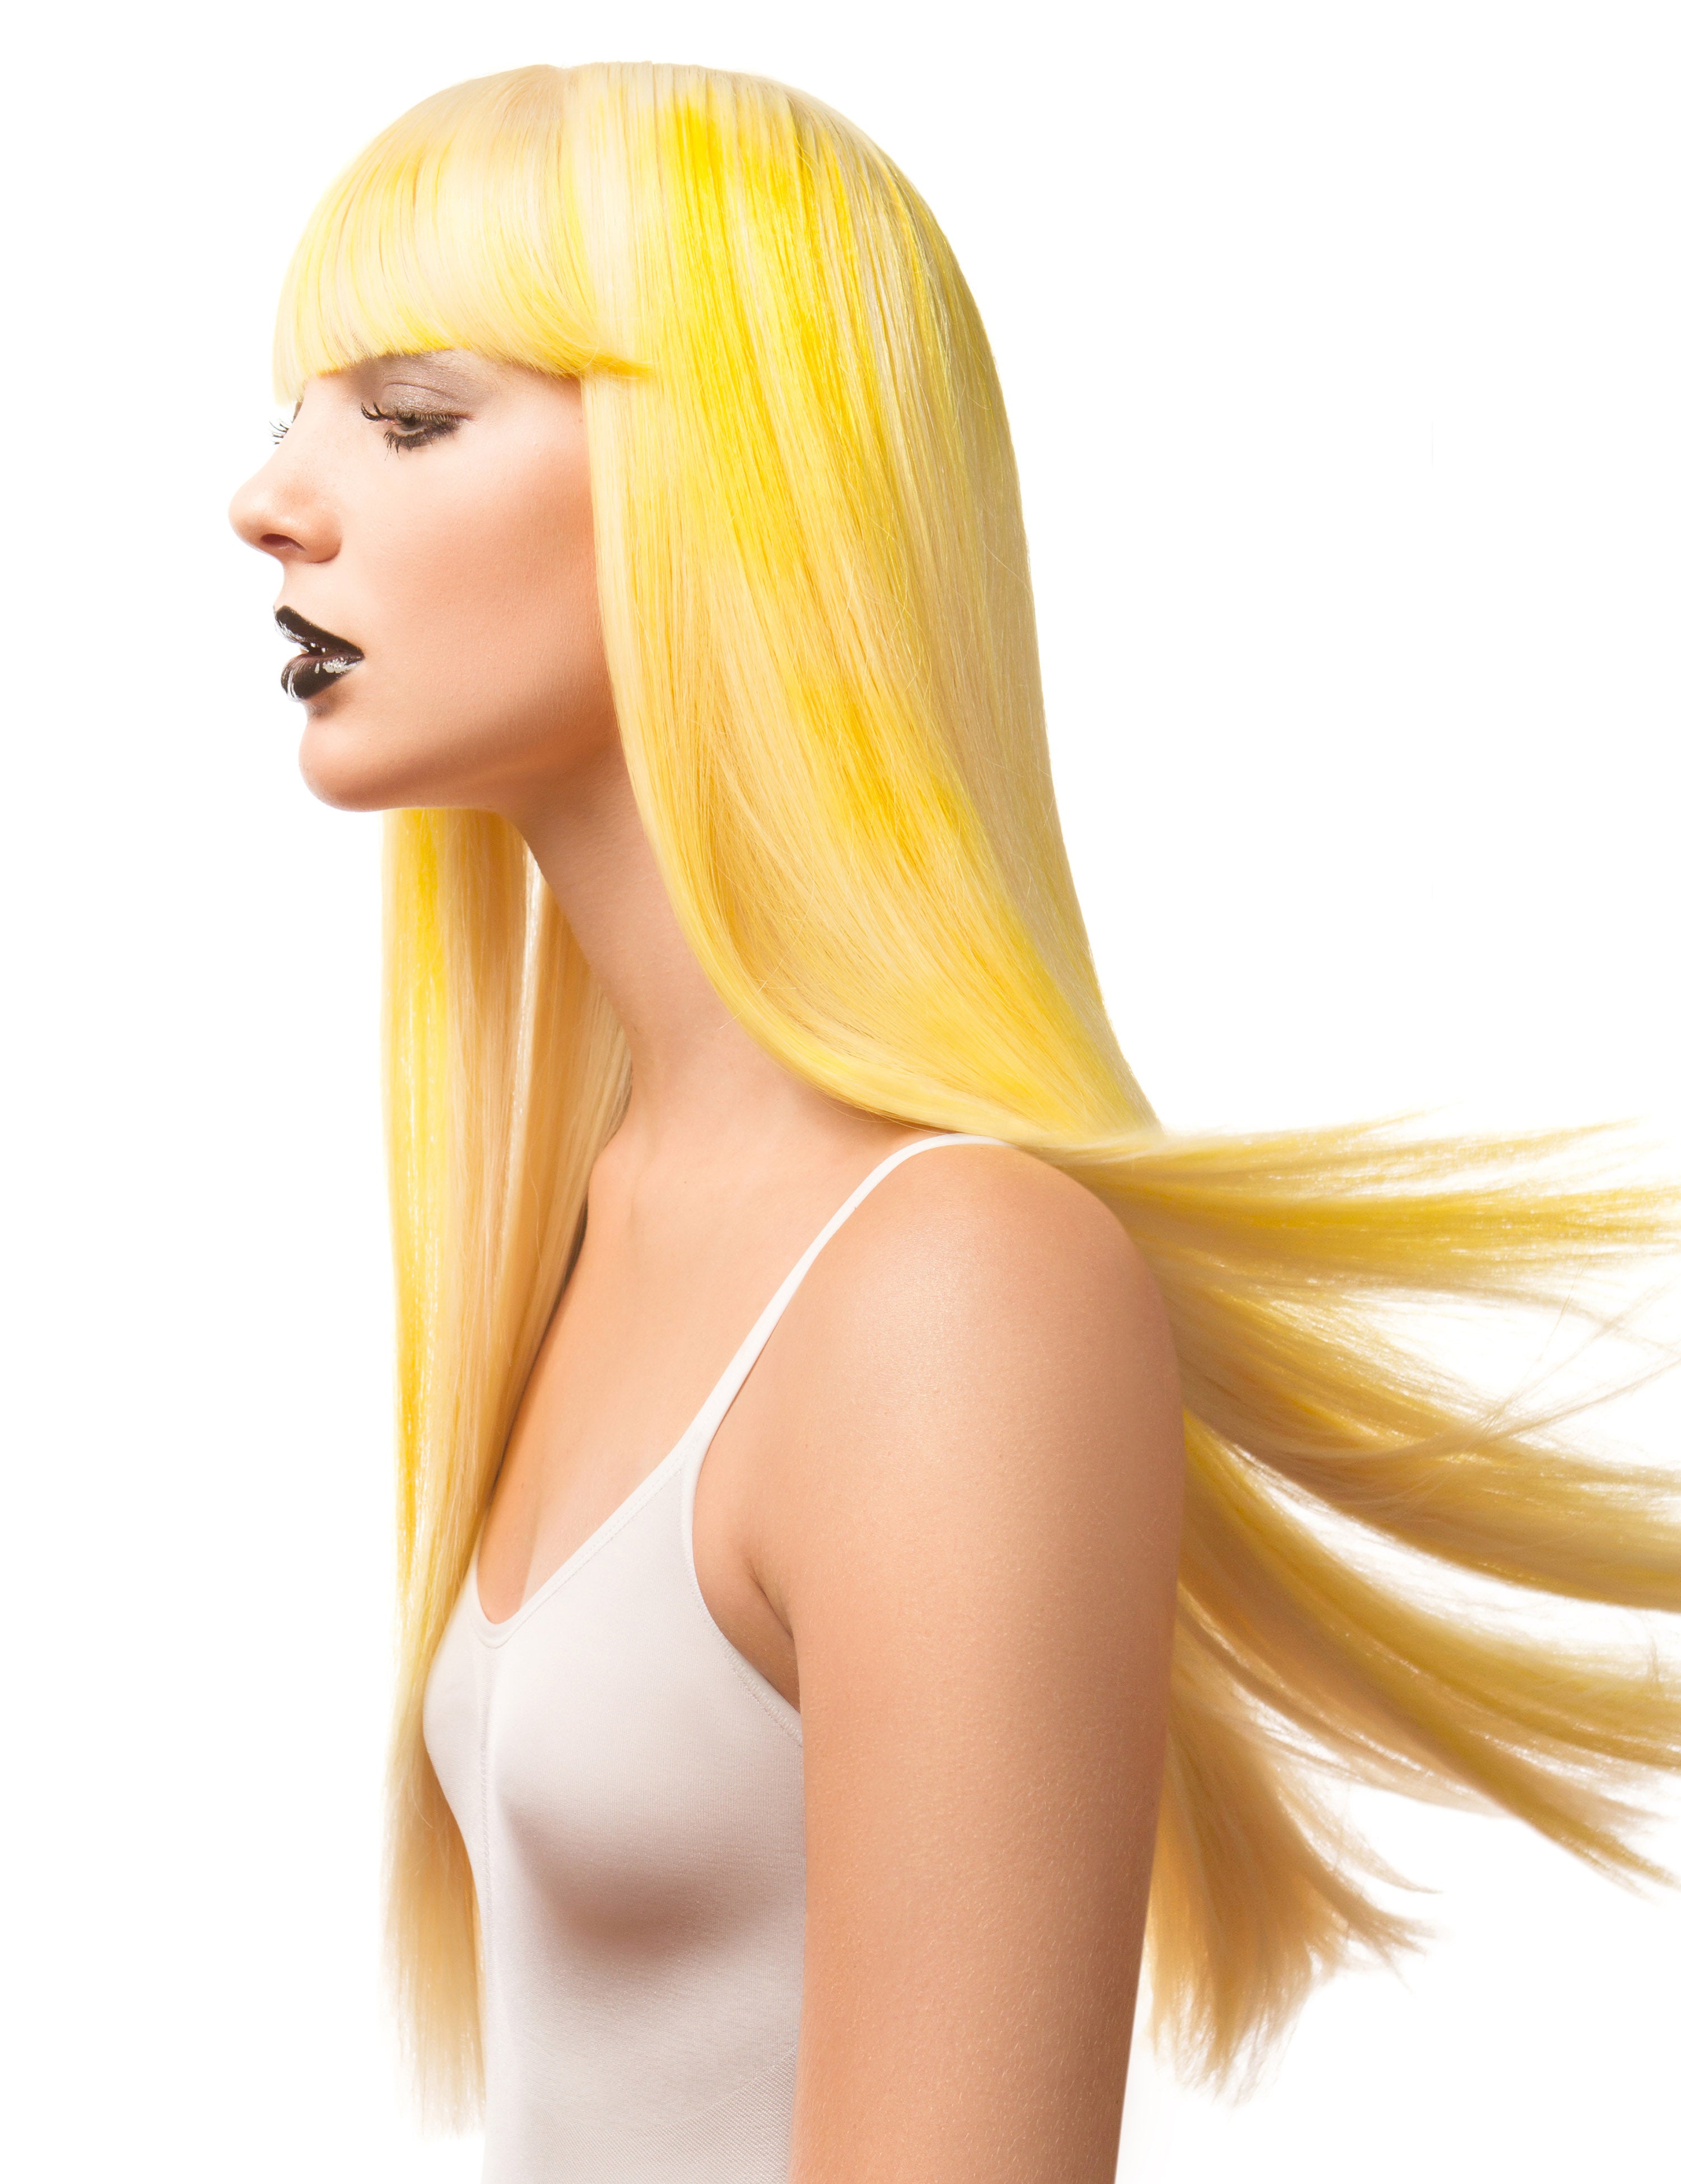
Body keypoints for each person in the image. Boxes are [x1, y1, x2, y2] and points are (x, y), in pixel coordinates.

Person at [228, 60, 1681, 2184]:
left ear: (731, 482)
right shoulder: (598, 1212)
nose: (270, 499)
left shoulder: (954, 1292)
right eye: (291, 415)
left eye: (413, 418)